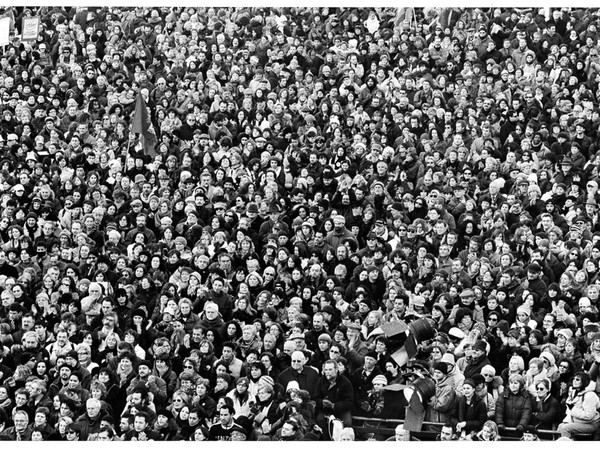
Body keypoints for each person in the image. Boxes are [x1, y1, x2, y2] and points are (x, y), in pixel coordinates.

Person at [558, 371, 600, 438]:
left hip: (591, 424)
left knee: (565, 428)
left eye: (577, 379)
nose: (574, 381)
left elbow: (588, 416)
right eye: (574, 379)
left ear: (584, 381)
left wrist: (573, 409)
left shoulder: (590, 395)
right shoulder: (573, 392)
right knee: (560, 426)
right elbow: (569, 411)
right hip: (578, 421)